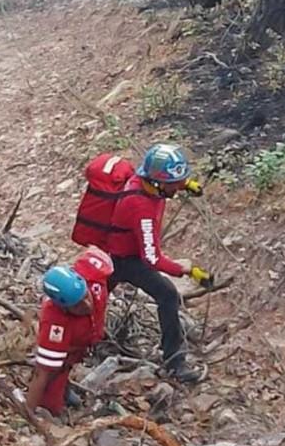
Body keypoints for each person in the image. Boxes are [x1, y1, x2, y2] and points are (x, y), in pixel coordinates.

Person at [104, 143, 213, 383]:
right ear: (157, 182)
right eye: (174, 183)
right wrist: (188, 271)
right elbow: (152, 258)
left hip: (121, 253)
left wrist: (186, 185)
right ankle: (175, 363)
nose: (177, 187)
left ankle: (174, 360)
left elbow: (168, 182)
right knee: (167, 293)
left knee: (164, 295)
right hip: (120, 260)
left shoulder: (150, 184)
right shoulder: (141, 207)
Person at [26, 266, 101, 417]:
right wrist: (28, 413)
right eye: (78, 305)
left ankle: (65, 386)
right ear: (64, 308)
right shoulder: (55, 323)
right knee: (50, 406)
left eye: (86, 296)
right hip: (66, 352)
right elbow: (43, 372)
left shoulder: (95, 282)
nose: (87, 305)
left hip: (85, 342)